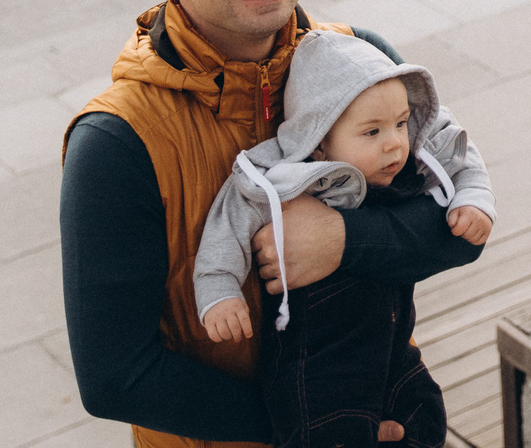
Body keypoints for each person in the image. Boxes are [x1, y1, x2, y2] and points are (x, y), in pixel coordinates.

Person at [62, 0, 491, 448]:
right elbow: (115, 376)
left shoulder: (362, 62)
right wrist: (318, 427)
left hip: (387, 410)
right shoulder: (116, 141)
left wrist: (343, 240)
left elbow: (457, 229)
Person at [193, 29, 494, 448]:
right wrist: (218, 288)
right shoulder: (282, 178)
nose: (395, 143)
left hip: (392, 351)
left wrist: (473, 197)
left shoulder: (401, 156)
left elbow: (454, 146)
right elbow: (230, 216)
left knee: (426, 417)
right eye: (371, 132)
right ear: (318, 145)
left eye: (401, 123)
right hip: (319, 371)